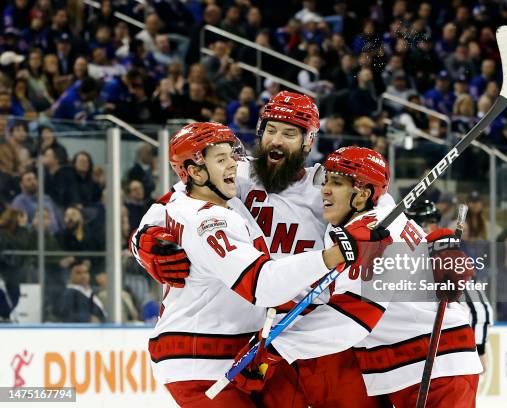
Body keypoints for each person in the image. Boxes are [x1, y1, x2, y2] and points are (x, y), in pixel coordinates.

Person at [131, 91, 396, 407]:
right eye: (270, 130)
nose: (277, 141)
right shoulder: (234, 174)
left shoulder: (324, 184)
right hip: (258, 332)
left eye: (289, 133)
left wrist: (370, 227)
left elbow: (380, 204)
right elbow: (174, 201)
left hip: (316, 328)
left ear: (308, 141)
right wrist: (142, 240)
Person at [249, 148, 481, 408]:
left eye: (336, 183)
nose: (324, 190)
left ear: (362, 195)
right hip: (407, 363)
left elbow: (353, 319)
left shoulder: (377, 235)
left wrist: (277, 349)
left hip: (436, 361)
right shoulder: (369, 222)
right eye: (326, 181)